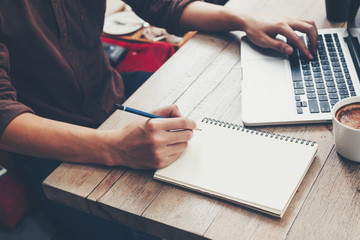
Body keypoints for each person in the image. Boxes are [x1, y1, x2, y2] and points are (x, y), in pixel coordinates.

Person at [0, 0, 318, 239]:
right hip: (50, 145)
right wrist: (115, 148)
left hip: (114, 96)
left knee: (230, 129)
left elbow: (163, 5)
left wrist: (242, 19)